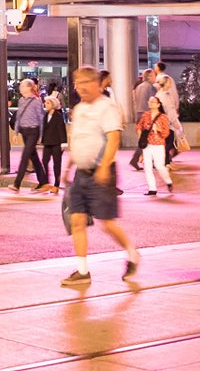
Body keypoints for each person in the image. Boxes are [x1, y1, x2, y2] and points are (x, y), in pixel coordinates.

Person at [59, 66, 140, 286]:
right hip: (80, 174)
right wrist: (68, 167)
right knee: (77, 220)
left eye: (85, 82)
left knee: (106, 222)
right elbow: (78, 140)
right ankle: (83, 271)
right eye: (77, 82)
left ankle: (132, 254)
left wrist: (104, 167)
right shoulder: (79, 109)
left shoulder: (107, 107)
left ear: (96, 83)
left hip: (101, 173)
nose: (80, 87)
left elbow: (113, 138)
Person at [12, 78, 47, 192]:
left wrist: (41, 135)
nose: (20, 88)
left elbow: (41, 119)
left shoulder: (37, 101)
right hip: (24, 131)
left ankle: (17, 183)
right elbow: (18, 116)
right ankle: (43, 182)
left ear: (29, 88)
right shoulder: (21, 100)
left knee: (25, 156)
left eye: (22, 86)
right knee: (34, 157)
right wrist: (16, 132)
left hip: (33, 131)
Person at [138, 95, 175, 195]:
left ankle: (168, 181)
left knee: (159, 166)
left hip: (158, 144)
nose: (151, 103)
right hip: (147, 144)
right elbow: (139, 126)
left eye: (153, 102)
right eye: (150, 101)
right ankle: (152, 188)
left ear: (158, 104)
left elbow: (166, 133)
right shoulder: (145, 115)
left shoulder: (163, 117)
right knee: (147, 167)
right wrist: (140, 135)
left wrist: (158, 130)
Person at [128, 68, 158, 170]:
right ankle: (145, 160)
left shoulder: (138, 87)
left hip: (139, 115)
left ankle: (136, 159)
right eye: (154, 75)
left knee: (144, 139)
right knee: (151, 139)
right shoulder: (151, 88)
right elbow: (153, 103)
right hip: (147, 115)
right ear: (149, 77)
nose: (155, 78)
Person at [155, 63, 184, 162]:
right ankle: (160, 160)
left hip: (163, 122)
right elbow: (169, 109)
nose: (170, 84)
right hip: (167, 123)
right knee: (169, 142)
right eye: (169, 83)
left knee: (166, 142)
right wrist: (175, 121)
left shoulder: (160, 94)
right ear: (166, 83)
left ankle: (165, 161)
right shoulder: (165, 95)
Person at [40, 86, 66, 193]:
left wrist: (63, 143)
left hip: (56, 143)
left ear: (53, 104)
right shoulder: (45, 115)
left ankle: (56, 185)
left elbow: (62, 130)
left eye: (48, 103)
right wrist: (41, 140)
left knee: (57, 164)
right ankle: (47, 182)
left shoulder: (58, 116)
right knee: (44, 161)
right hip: (47, 143)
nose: (46, 104)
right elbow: (44, 129)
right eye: (46, 103)